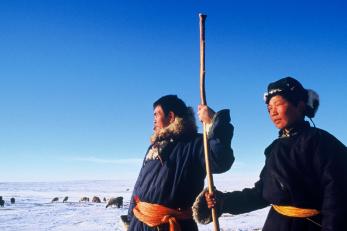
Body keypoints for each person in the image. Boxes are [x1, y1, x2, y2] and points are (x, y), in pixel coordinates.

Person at [193, 77, 347, 231]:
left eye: (278, 104)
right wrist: (223, 202)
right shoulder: (275, 148)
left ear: (300, 105)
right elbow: (262, 194)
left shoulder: (323, 143)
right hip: (276, 224)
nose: (273, 112)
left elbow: (338, 200)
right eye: (269, 108)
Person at [122, 94, 235, 230]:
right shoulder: (154, 148)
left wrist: (214, 122)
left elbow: (220, 161)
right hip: (139, 224)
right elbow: (138, 186)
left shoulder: (196, 143)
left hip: (174, 226)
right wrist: (130, 221)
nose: (153, 120)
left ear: (170, 116)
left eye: (156, 115)